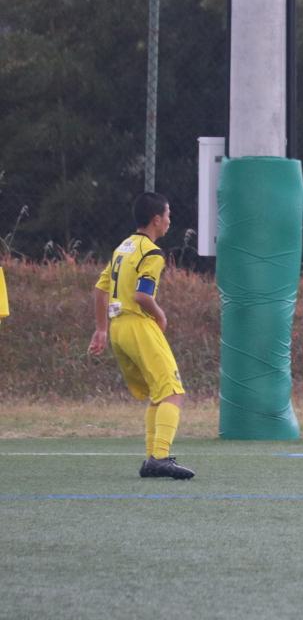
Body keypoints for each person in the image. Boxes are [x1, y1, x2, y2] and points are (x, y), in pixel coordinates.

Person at [88, 192, 194, 480]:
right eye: (168, 215)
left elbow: (100, 289)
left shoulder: (123, 247)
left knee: (158, 394)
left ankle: (152, 459)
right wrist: (160, 314)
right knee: (173, 392)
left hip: (118, 328)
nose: (170, 221)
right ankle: (160, 457)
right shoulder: (152, 253)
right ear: (156, 219)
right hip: (138, 324)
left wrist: (101, 329)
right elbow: (142, 295)